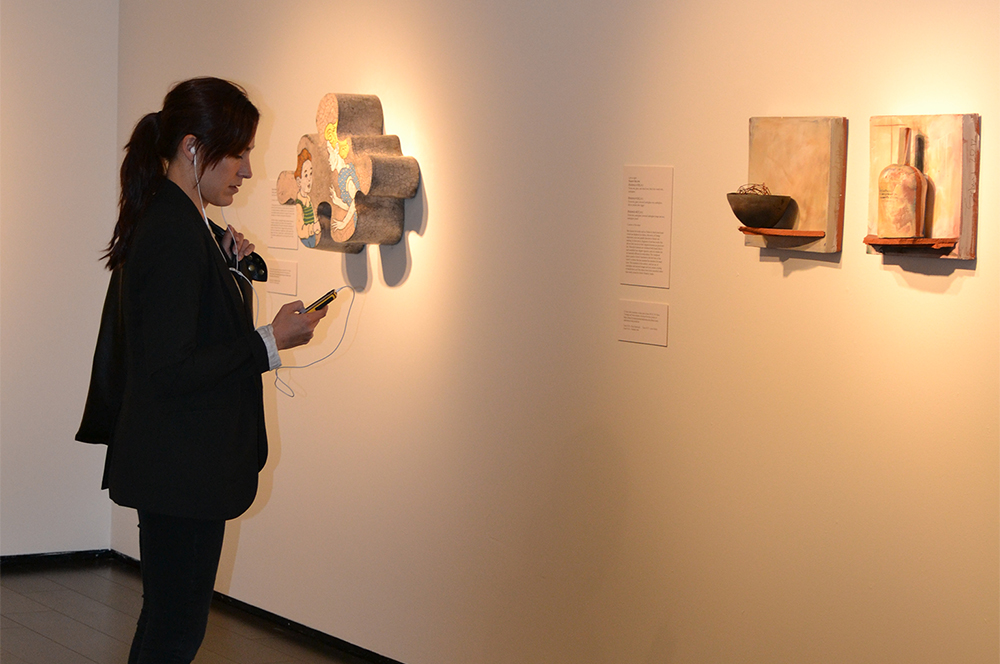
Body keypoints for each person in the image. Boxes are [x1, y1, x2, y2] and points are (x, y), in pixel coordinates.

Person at [76, 77, 328, 664]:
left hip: (179, 464)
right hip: (179, 467)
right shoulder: (171, 233)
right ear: (194, 148)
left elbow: (190, 335)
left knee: (171, 623)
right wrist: (270, 341)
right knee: (175, 629)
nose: (246, 168)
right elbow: (171, 368)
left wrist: (231, 271)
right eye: (239, 152)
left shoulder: (184, 228)